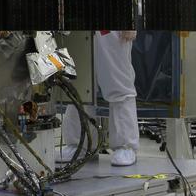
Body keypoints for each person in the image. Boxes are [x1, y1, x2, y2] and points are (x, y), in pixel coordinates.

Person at [60, 30, 139, 166]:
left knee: (118, 84)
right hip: (78, 21)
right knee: (79, 83)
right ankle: (79, 144)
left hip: (111, 26)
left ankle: (125, 146)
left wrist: (129, 21)